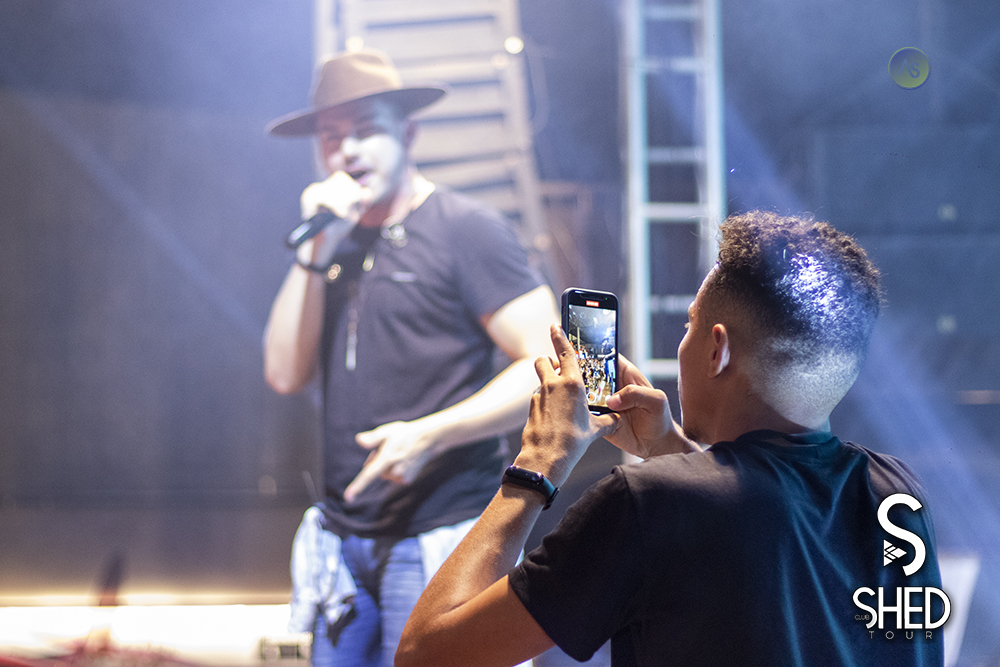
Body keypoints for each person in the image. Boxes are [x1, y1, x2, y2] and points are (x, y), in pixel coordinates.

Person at [396, 211, 945, 666]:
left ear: (717, 350)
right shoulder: (895, 493)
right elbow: (769, 542)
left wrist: (537, 464)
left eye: (689, 325)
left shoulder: (646, 504)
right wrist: (671, 450)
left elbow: (426, 654)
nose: (683, 343)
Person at [263, 49, 558, 667]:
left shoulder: (463, 229)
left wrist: (431, 433)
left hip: (439, 532)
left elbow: (551, 364)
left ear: (409, 133)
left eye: (366, 130)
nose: (347, 151)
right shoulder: (334, 243)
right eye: (331, 137)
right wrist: (315, 250)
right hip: (344, 538)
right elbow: (284, 373)